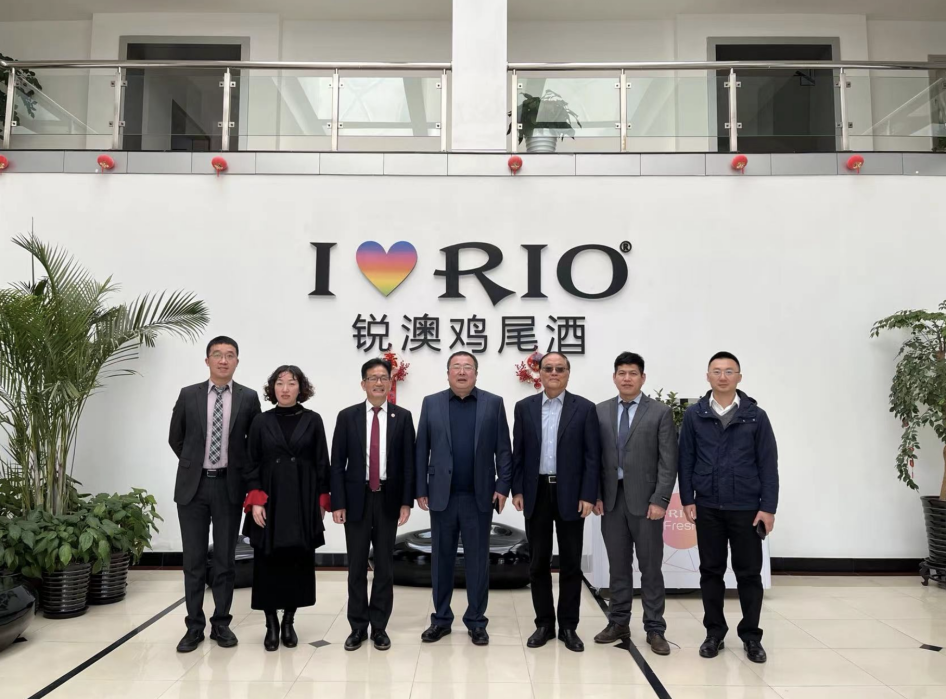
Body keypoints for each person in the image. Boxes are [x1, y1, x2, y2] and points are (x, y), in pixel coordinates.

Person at [678, 351, 779, 665]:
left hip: (746, 507)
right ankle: (714, 633)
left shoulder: (756, 416)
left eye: (729, 371)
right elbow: (686, 460)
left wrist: (768, 507)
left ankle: (751, 636)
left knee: (749, 574)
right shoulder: (694, 415)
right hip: (708, 505)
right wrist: (688, 498)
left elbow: (768, 464)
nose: (723, 377)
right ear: (708, 376)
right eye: (717, 371)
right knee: (711, 572)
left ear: (739, 377)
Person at [168, 336, 262, 653]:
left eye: (230, 355)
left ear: (237, 361)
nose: (223, 360)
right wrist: (195, 463)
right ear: (207, 360)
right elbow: (176, 438)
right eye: (217, 355)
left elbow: (253, 444)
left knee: (225, 560)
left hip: (228, 486)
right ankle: (194, 626)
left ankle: (221, 623)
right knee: (194, 561)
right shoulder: (188, 394)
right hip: (193, 488)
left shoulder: (248, 398)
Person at [415, 351, 512, 646]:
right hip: (441, 495)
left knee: (478, 561)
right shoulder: (431, 403)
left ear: (476, 373)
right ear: (447, 373)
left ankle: (476, 621)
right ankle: (441, 619)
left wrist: (503, 486)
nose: (461, 372)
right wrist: (420, 488)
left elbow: (504, 450)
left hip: (478, 496)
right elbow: (421, 449)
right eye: (455, 367)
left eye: (467, 367)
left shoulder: (493, 403)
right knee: (441, 559)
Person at [512, 352, 600, 653]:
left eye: (559, 368)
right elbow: (518, 453)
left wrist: (589, 494)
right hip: (536, 491)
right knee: (538, 562)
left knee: (571, 563)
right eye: (547, 368)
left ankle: (568, 626)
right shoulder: (524, 407)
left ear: (568, 373)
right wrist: (517, 489)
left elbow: (592, 456)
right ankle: (544, 624)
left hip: (572, 494)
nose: (553, 373)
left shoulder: (585, 409)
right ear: (539, 373)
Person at [242, 365, 332, 651]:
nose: (285, 388)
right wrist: (256, 498)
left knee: (298, 561)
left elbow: (322, 461)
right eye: (279, 383)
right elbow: (251, 461)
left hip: (302, 499)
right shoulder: (260, 421)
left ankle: (289, 620)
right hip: (270, 500)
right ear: (272, 388)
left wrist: (322, 500)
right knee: (267, 562)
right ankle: (270, 622)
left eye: (291, 383)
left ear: (300, 388)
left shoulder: (313, 420)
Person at [593, 352, 678, 655]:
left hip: (647, 502)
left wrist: (661, 499)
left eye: (632, 373)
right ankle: (618, 622)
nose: (626, 378)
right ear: (614, 377)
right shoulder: (600, 411)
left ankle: (655, 628)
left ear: (643, 378)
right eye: (621, 373)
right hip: (611, 500)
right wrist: (596, 495)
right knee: (618, 566)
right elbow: (594, 459)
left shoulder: (660, 412)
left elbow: (668, 461)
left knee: (650, 567)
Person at [331, 358, 416, 652]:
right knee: (356, 565)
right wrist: (337, 502)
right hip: (356, 499)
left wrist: (406, 501)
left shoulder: (402, 417)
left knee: (384, 565)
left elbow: (408, 464)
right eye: (372, 378)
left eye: (383, 378)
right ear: (363, 384)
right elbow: (337, 463)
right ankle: (357, 626)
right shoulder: (347, 417)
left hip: (388, 499)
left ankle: (379, 627)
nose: (378, 383)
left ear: (390, 383)